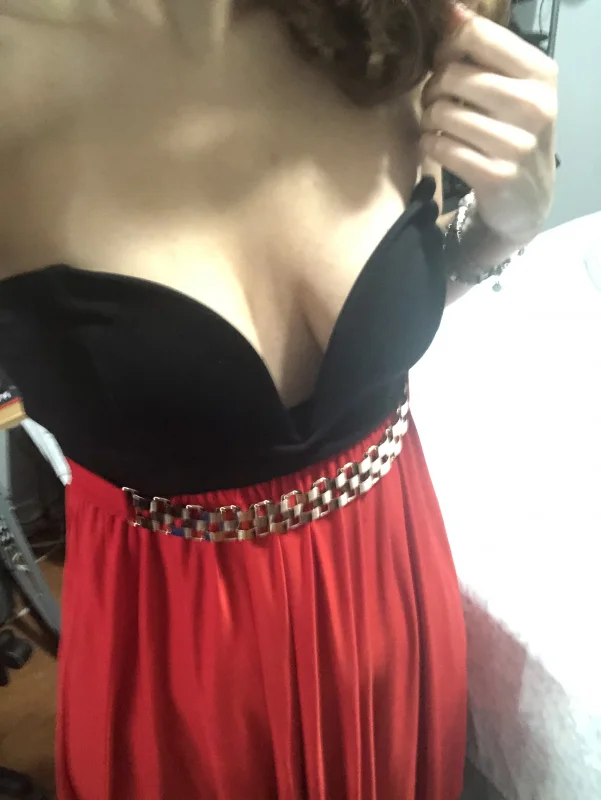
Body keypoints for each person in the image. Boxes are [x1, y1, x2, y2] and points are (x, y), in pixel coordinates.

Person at [0, 0, 557, 797]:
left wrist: (503, 229)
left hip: (395, 601)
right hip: (177, 672)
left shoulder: (389, 21)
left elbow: (377, 337)